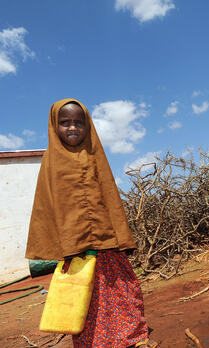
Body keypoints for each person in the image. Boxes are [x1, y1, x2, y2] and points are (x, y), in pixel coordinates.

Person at [26, 99, 156, 348]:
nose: (72, 128)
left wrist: (120, 235)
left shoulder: (95, 155)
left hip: (106, 242)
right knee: (83, 300)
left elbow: (109, 196)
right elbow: (45, 207)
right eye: (65, 123)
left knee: (122, 289)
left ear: (88, 126)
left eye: (78, 123)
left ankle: (133, 336)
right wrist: (59, 246)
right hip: (75, 248)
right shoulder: (50, 162)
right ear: (55, 126)